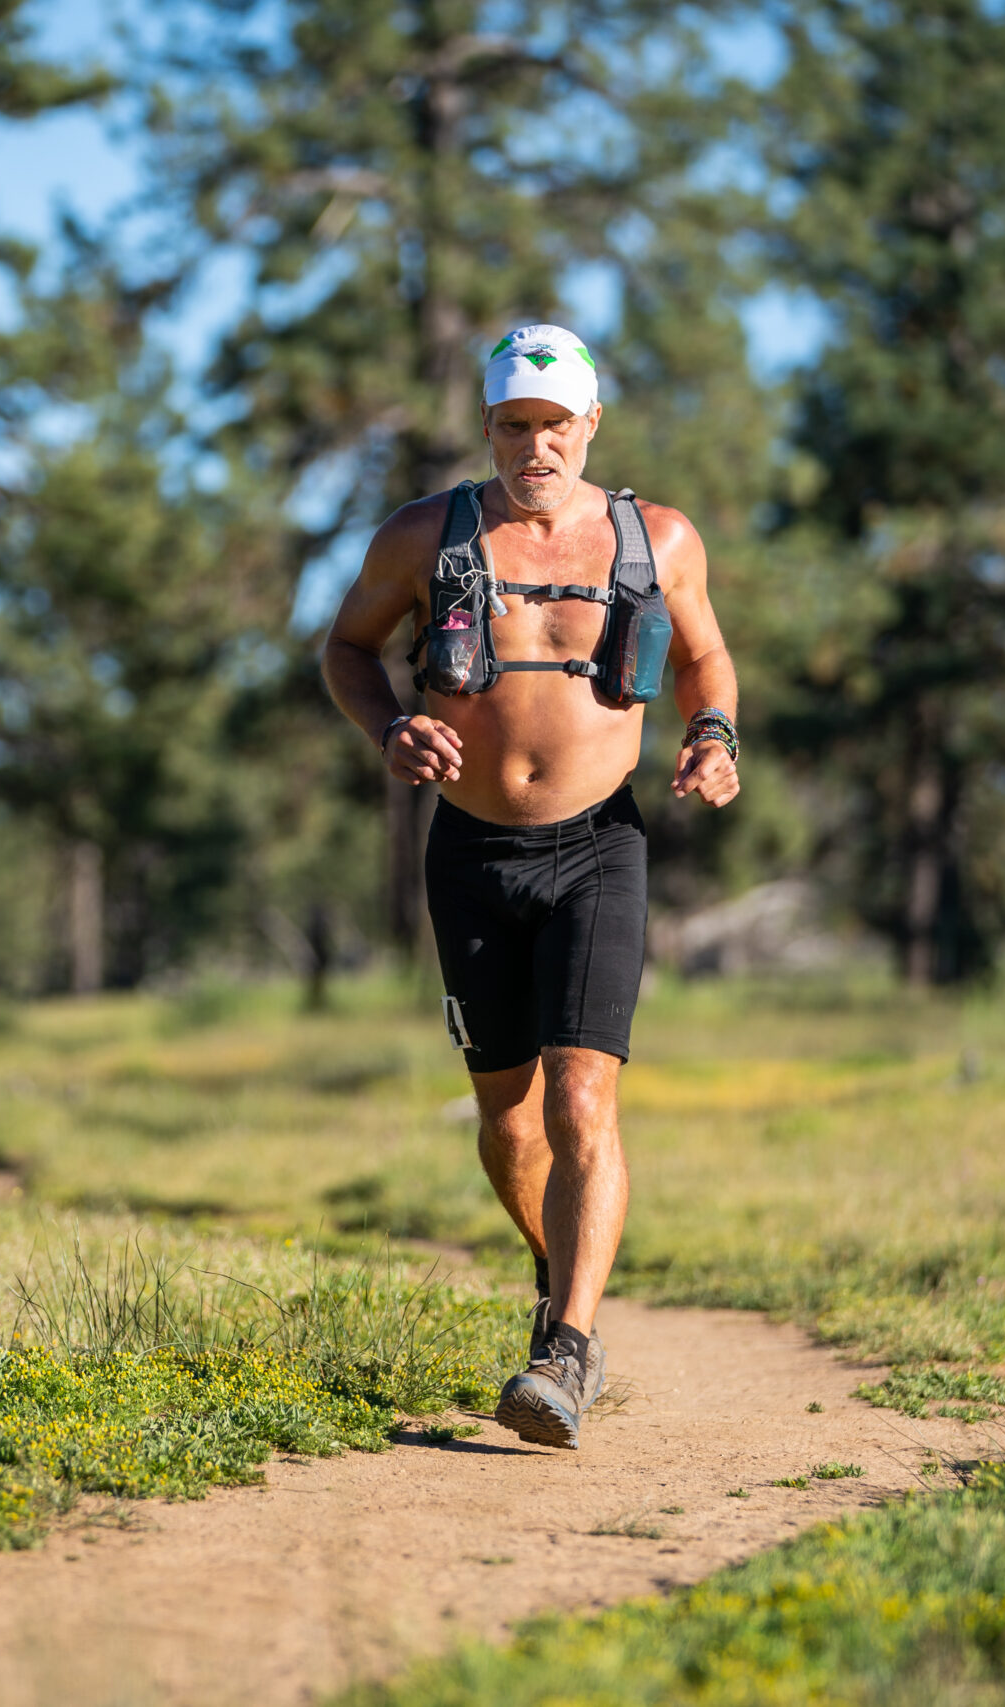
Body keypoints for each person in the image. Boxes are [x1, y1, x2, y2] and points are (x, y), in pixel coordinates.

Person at [320, 323, 740, 1449]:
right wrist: (391, 727)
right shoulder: (424, 536)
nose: (534, 448)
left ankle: (566, 1346)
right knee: (508, 1124)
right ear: (488, 429)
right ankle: (563, 1263)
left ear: (589, 426)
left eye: (554, 427)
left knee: (580, 1100)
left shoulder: (656, 538)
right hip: (469, 852)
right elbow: (346, 650)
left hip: (600, 844)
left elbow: (703, 657)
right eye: (513, 427)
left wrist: (713, 733)